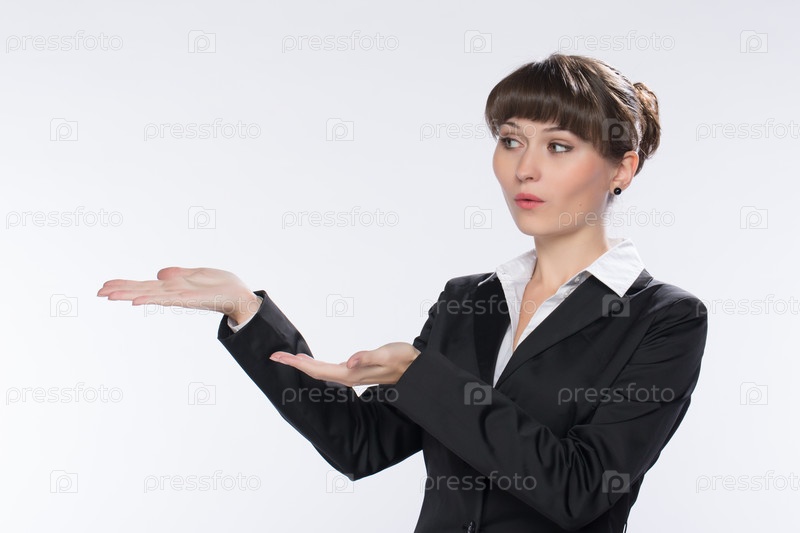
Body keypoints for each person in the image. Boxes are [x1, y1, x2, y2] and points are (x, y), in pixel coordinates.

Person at [97, 52, 708, 532]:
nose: (525, 168)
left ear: (622, 168)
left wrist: (421, 374)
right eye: (510, 139)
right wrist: (247, 312)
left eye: (558, 146)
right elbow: (361, 444)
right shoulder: (469, 301)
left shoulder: (665, 318)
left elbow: (577, 491)